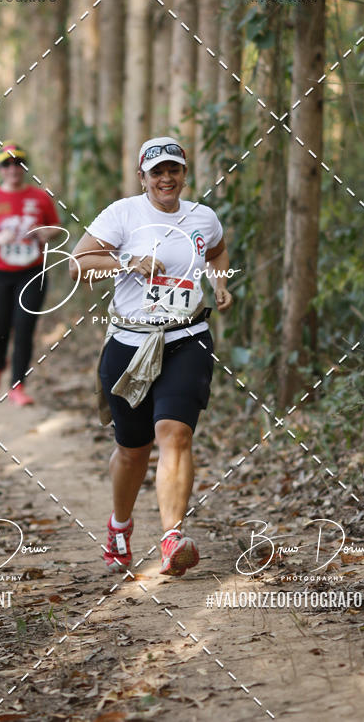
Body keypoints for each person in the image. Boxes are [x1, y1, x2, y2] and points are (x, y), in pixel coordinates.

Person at [70, 136, 233, 577]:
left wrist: (218, 284)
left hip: (188, 337)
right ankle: (119, 526)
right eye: (157, 171)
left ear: (184, 174)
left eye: (173, 170)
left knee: (175, 434)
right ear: (142, 176)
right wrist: (127, 261)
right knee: (133, 449)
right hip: (129, 343)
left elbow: (216, 252)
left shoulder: (203, 217)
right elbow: (77, 265)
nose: (166, 178)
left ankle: (171, 538)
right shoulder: (123, 214)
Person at [0, 142, 60, 407]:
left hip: (32, 272)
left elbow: (56, 227)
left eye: (18, 163)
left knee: (24, 329)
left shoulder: (40, 197)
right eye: (7, 164)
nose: (13, 169)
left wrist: (45, 232)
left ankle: (18, 385)